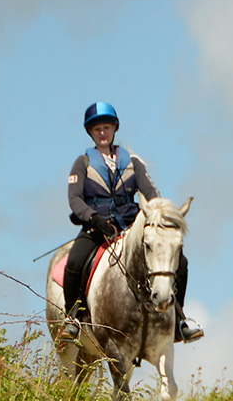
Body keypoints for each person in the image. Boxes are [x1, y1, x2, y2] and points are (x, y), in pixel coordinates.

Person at [60, 101, 203, 344]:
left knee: (181, 262)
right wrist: (93, 218)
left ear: (115, 129)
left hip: (130, 226)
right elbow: (74, 199)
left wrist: (159, 216)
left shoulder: (133, 162)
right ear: (91, 133)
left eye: (106, 127)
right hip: (97, 227)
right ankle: (73, 317)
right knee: (74, 262)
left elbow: (151, 193)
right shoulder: (82, 163)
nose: (102, 133)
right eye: (97, 129)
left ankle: (179, 319)